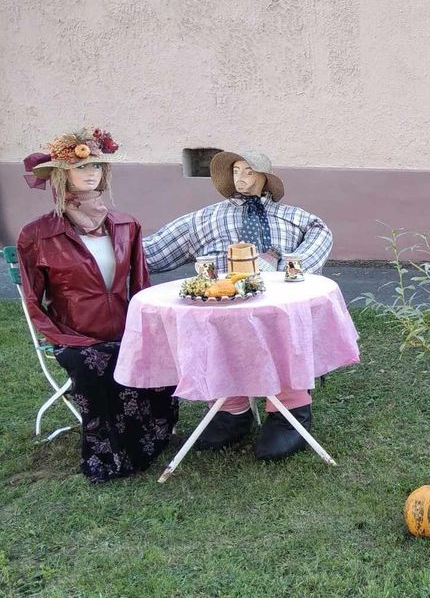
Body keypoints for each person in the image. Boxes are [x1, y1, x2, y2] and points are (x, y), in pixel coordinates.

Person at [142, 150, 333, 460]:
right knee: (214, 334)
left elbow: (320, 238)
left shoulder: (297, 218)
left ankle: (291, 411)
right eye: (235, 172)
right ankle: (230, 411)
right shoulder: (204, 218)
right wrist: (108, 247)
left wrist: (285, 267)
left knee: (286, 327)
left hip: (276, 307)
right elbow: (153, 250)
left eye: (248, 171)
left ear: (264, 178)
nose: (241, 178)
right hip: (222, 305)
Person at [17, 127, 178, 483]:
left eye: (98, 167)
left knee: (158, 352)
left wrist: (146, 329)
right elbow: (33, 299)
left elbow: (140, 286)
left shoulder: (125, 225)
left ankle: (152, 439)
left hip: (124, 328)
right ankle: (109, 452)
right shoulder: (37, 234)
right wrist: (65, 339)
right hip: (76, 337)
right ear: (63, 174)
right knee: (95, 363)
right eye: (82, 167)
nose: (93, 173)